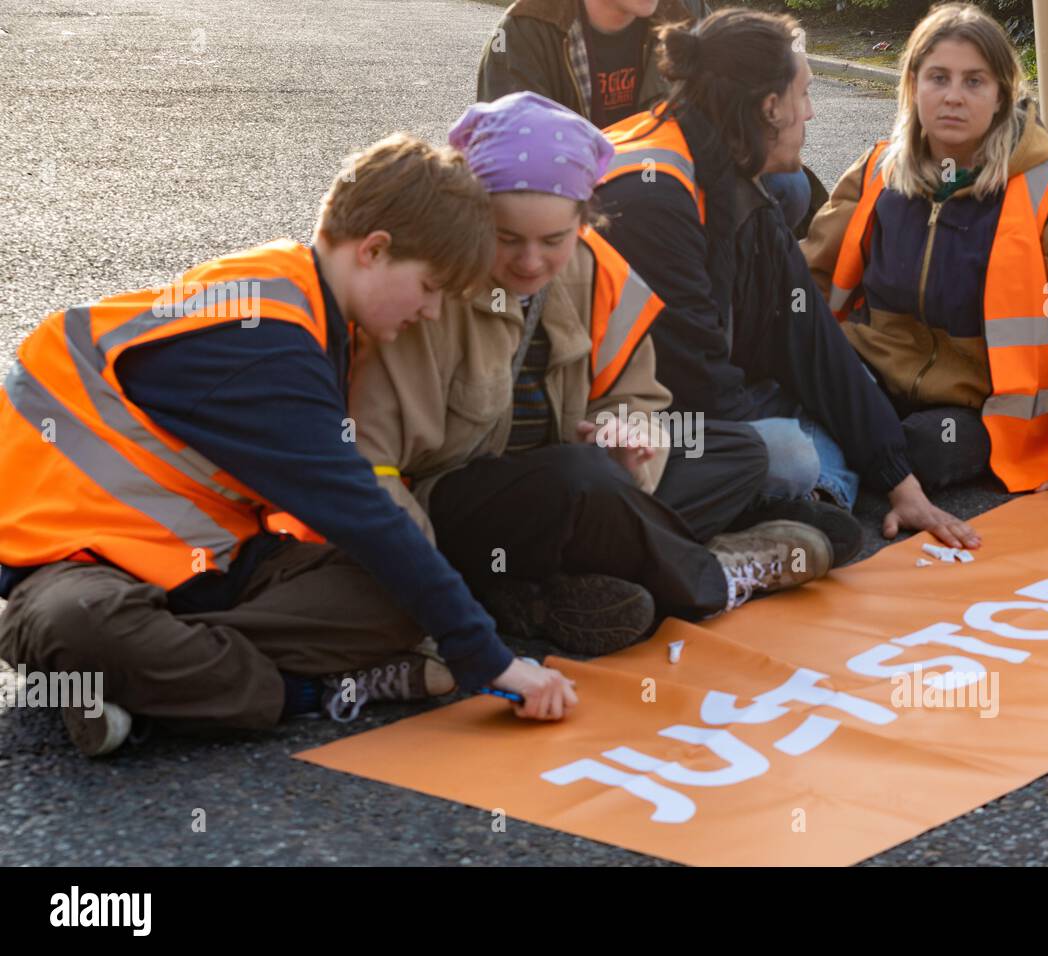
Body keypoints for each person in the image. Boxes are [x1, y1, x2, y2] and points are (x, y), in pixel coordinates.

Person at [0, 134, 578, 757]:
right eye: (430, 286)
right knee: (81, 627)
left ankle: (139, 679)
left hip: (214, 564)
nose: (433, 311)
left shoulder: (303, 300)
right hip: (75, 563)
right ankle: (310, 693)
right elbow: (361, 509)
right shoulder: (265, 340)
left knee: (395, 597)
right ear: (375, 250)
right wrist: (489, 661)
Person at [350, 92, 836, 657]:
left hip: (583, 494)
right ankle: (710, 576)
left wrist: (632, 439)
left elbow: (637, 398)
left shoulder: (594, 268)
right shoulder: (425, 294)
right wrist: (426, 589)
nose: (531, 262)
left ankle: (541, 595)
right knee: (580, 478)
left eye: (554, 241)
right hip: (461, 516)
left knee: (738, 452)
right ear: (471, 216)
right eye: (506, 239)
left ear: (583, 221)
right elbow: (369, 468)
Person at [595, 8, 981, 550]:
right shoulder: (655, 198)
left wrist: (902, 484)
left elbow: (812, 333)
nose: (811, 113)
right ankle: (798, 504)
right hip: (614, 425)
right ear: (768, 106)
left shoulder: (724, 167)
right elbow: (699, 388)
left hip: (691, 398)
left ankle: (813, 505)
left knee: (848, 393)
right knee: (790, 452)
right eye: (802, 95)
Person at [802, 2, 1048, 508]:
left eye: (974, 82)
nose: (953, 97)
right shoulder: (876, 170)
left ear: (1004, 93)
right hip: (873, 379)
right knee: (802, 404)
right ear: (913, 85)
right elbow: (810, 278)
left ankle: (826, 491)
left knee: (919, 447)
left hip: (978, 412)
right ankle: (821, 499)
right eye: (938, 78)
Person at [476, 0, 819, 233]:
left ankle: (746, 293)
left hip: (678, 177)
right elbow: (512, 165)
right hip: (581, 191)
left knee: (788, 186)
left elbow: (737, 106)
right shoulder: (524, 30)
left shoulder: (681, 11)